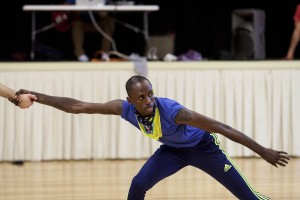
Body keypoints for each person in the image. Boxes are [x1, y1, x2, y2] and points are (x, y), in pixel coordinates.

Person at [14, 75, 290, 199]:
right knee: (138, 185)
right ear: (130, 100)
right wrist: (39, 97)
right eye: (141, 97)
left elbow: (221, 127)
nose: (148, 100)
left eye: (150, 94)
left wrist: (262, 149)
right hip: (172, 151)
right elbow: (79, 106)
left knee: (249, 198)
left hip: (204, 148)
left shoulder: (173, 111)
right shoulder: (124, 110)